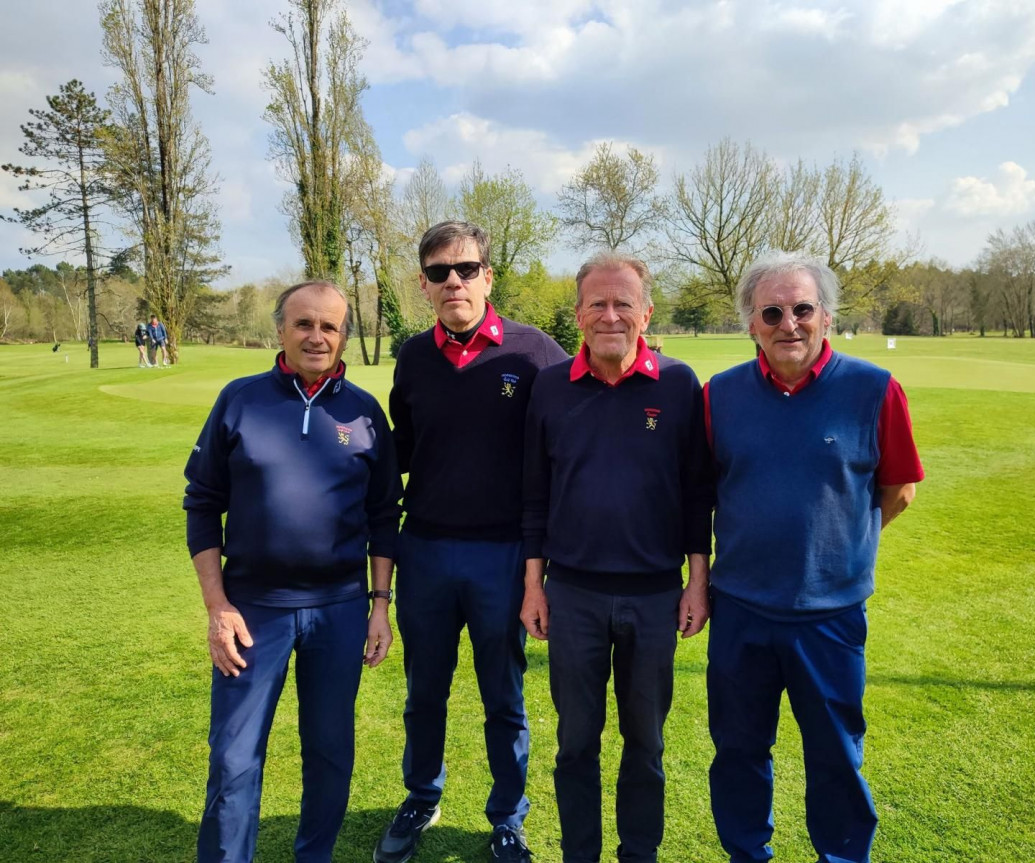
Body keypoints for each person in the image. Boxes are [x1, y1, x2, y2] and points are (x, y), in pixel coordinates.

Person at [705, 252, 924, 863]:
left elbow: (899, 489)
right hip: (742, 609)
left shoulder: (874, 389)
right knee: (740, 751)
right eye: (771, 311)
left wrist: (837, 546)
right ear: (751, 323)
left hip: (829, 617)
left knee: (835, 755)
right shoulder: (719, 395)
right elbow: (704, 492)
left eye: (802, 309)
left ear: (825, 315)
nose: (789, 324)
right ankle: (748, 854)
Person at [184, 281, 403, 863]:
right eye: (304, 323)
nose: (317, 336)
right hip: (253, 609)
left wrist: (380, 605)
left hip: (339, 609)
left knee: (330, 751)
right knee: (233, 757)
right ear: (280, 329)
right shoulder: (240, 400)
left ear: (343, 337)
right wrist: (217, 606)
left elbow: (385, 516)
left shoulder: (363, 412)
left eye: (330, 326)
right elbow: (203, 503)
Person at [376, 221, 568, 863]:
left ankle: (507, 815)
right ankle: (422, 795)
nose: (452, 281)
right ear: (424, 285)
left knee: (502, 694)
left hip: (502, 554)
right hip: (425, 548)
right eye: (438, 272)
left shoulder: (535, 353)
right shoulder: (412, 356)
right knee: (423, 689)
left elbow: (566, 448)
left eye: (465, 269)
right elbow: (402, 449)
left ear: (488, 276)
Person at [519, 252, 714, 863]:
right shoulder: (550, 387)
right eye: (597, 304)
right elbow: (533, 495)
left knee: (646, 743)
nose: (610, 315)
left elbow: (696, 495)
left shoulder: (679, 385)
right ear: (578, 314)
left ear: (646, 313)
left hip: (656, 595)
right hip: (572, 594)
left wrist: (696, 582)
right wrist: (533, 584)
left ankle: (639, 854)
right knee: (577, 742)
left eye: (623, 303)